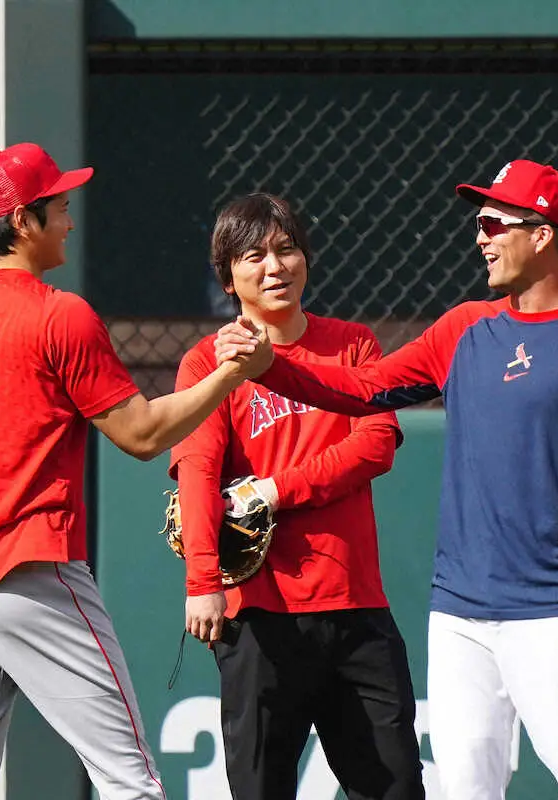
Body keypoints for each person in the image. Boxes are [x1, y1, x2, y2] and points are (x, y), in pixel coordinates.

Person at [213, 160, 558, 800]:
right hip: (458, 612)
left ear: (542, 234)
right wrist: (271, 367)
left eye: (494, 223)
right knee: (463, 791)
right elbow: (364, 389)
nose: (480, 237)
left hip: (557, 607)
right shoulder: (464, 329)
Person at [0, 142, 270, 800]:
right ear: (22, 222)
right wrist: (231, 374)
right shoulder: (58, 315)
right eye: (60, 207)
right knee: (130, 778)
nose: (70, 219)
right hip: (29, 573)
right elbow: (142, 434)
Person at [170, 193, 425, 799]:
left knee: (394, 788)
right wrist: (203, 583)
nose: (274, 267)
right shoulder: (210, 361)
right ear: (228, 276)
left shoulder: (353, 346)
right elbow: (199, 474)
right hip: (259, 616)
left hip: (354, 606)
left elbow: (376, 443)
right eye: (254, 255)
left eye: (287, 250)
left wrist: (272, 491)